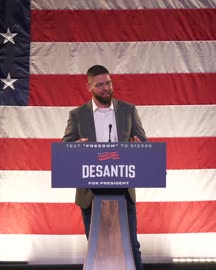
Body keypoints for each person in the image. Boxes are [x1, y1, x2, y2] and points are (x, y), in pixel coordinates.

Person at [62, 64, 146, 269]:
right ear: (89, 87)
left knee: (131, 246)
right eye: (100, 85)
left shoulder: (128, 110)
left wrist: (139, 147)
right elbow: (65, 151)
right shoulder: (77, 115)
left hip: (123, 190)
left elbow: (143, 144)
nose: (106, 88)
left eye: (108, 83)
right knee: (96, 247)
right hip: (91, 193)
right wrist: (75, 148)